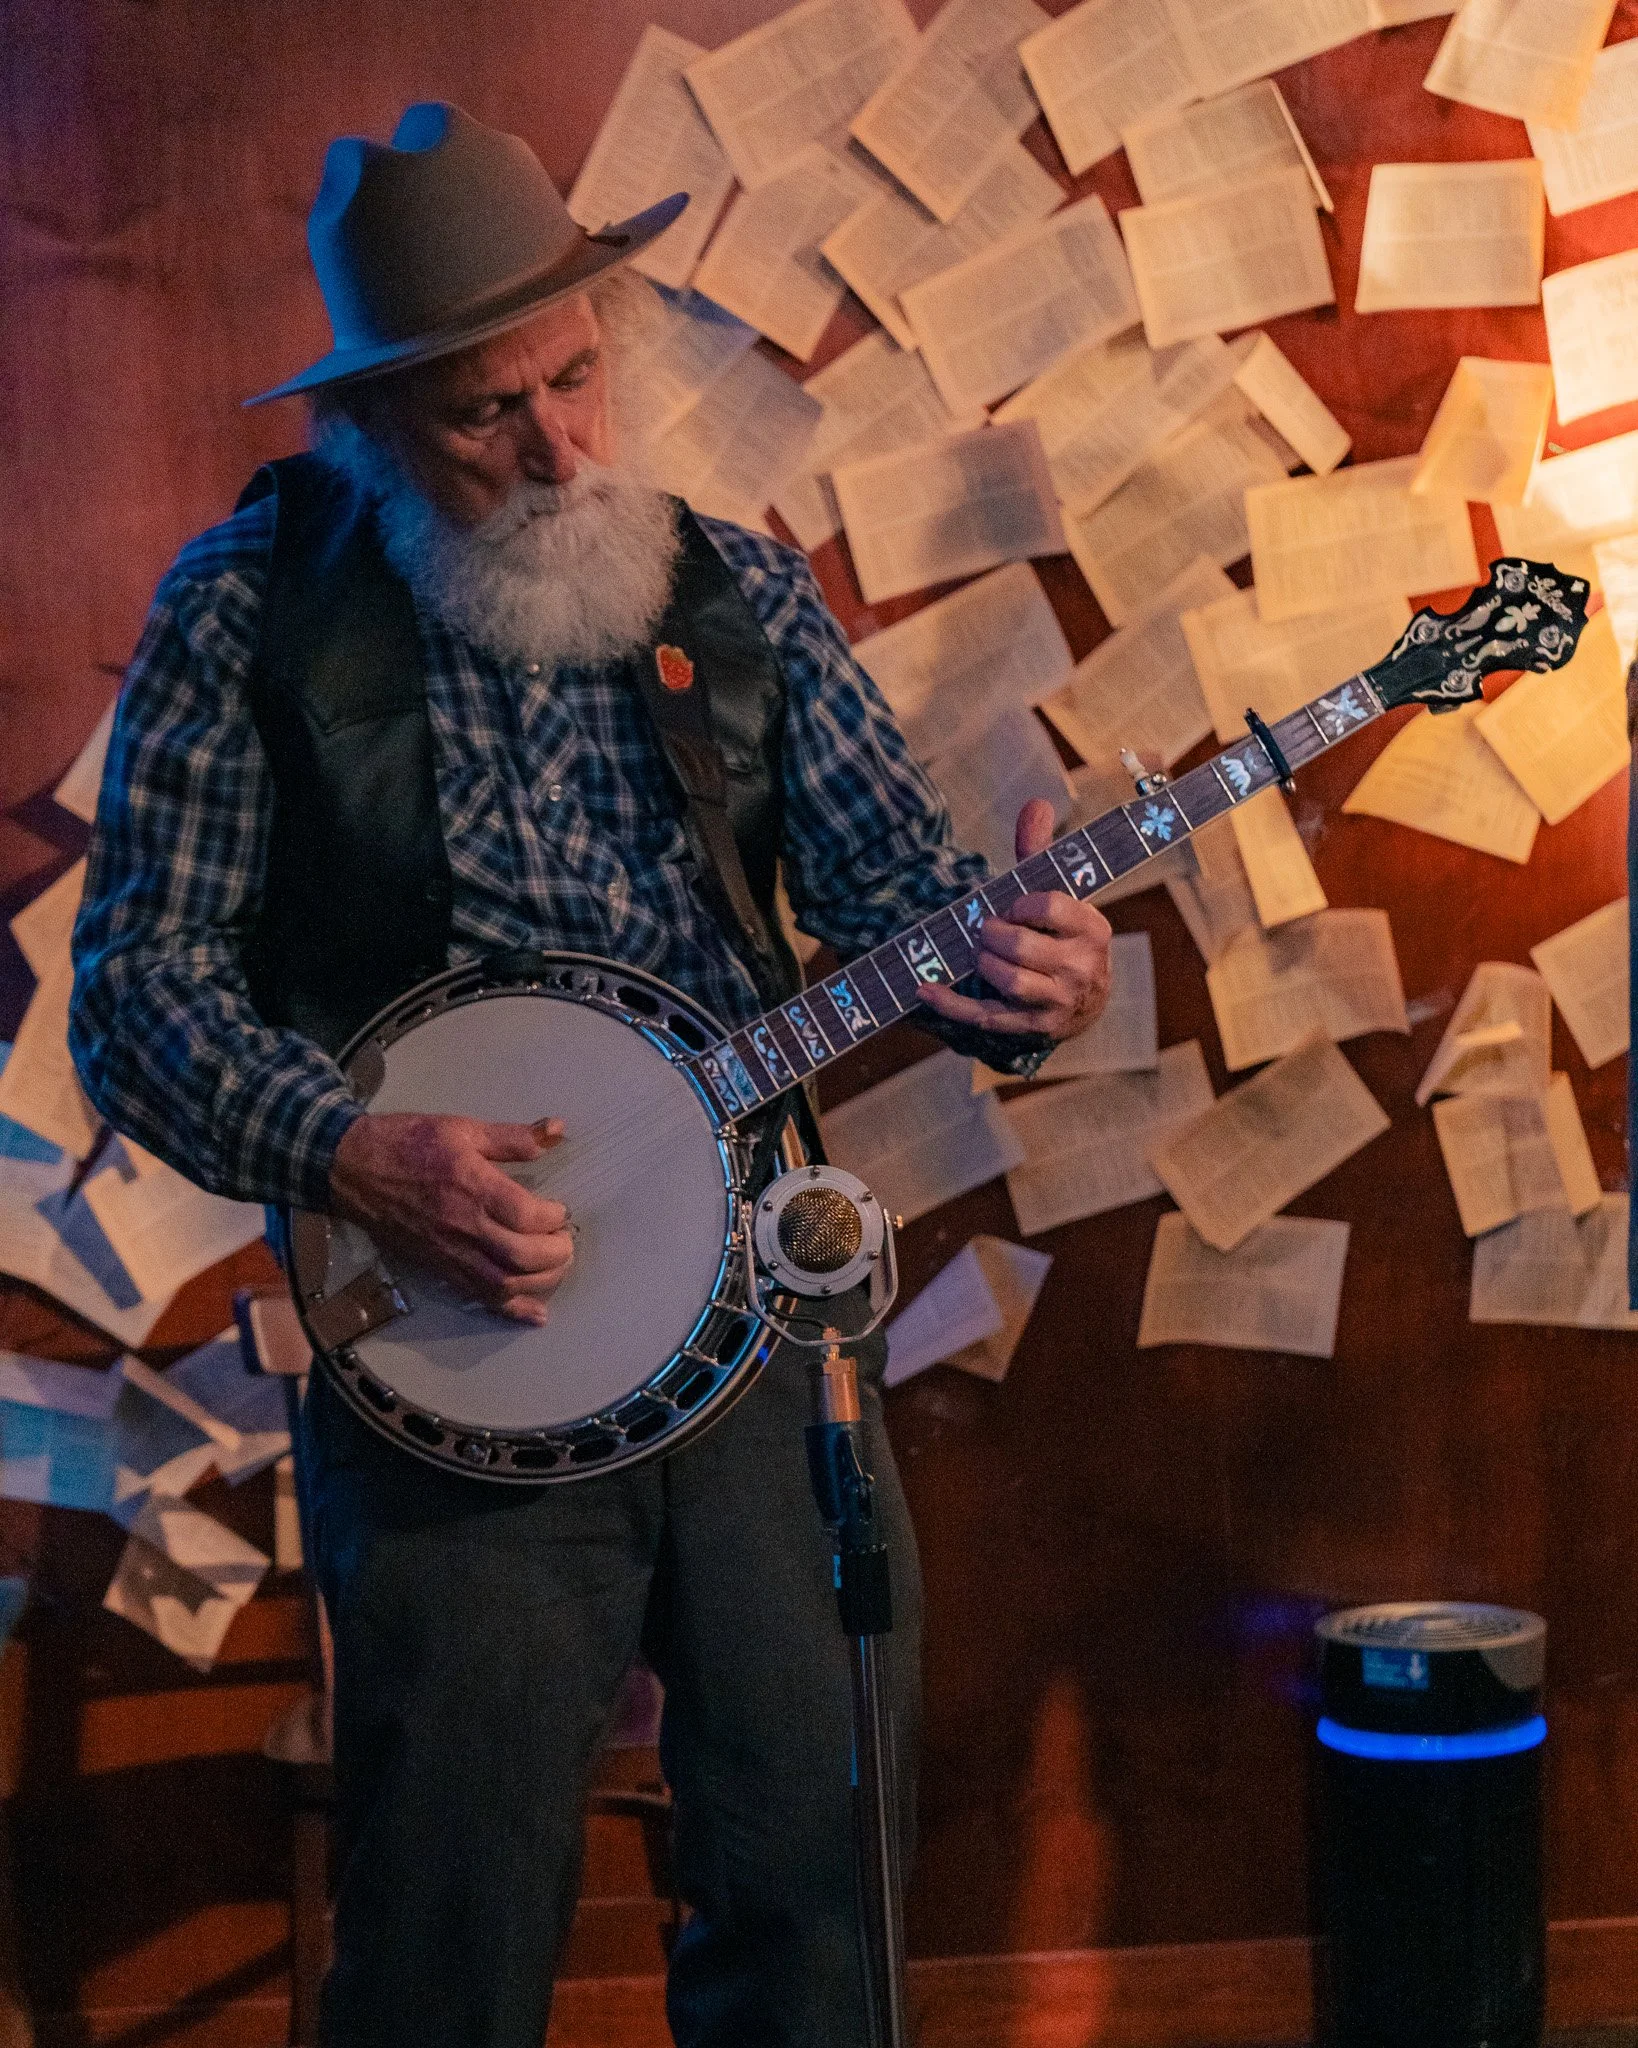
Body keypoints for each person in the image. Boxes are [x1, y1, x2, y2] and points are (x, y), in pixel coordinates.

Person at [69, 103, 1112, 2048]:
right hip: (453, 1364)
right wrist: (352, 1148)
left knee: (816, 1894)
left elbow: (908, 908)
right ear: (369, 426)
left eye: (575, 378)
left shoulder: (734, 597)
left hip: (759, 1346)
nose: (558, 449)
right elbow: (134, 992)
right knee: (446, 1938)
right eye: (484, 417)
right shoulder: (248, 613)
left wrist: (1029, 970)